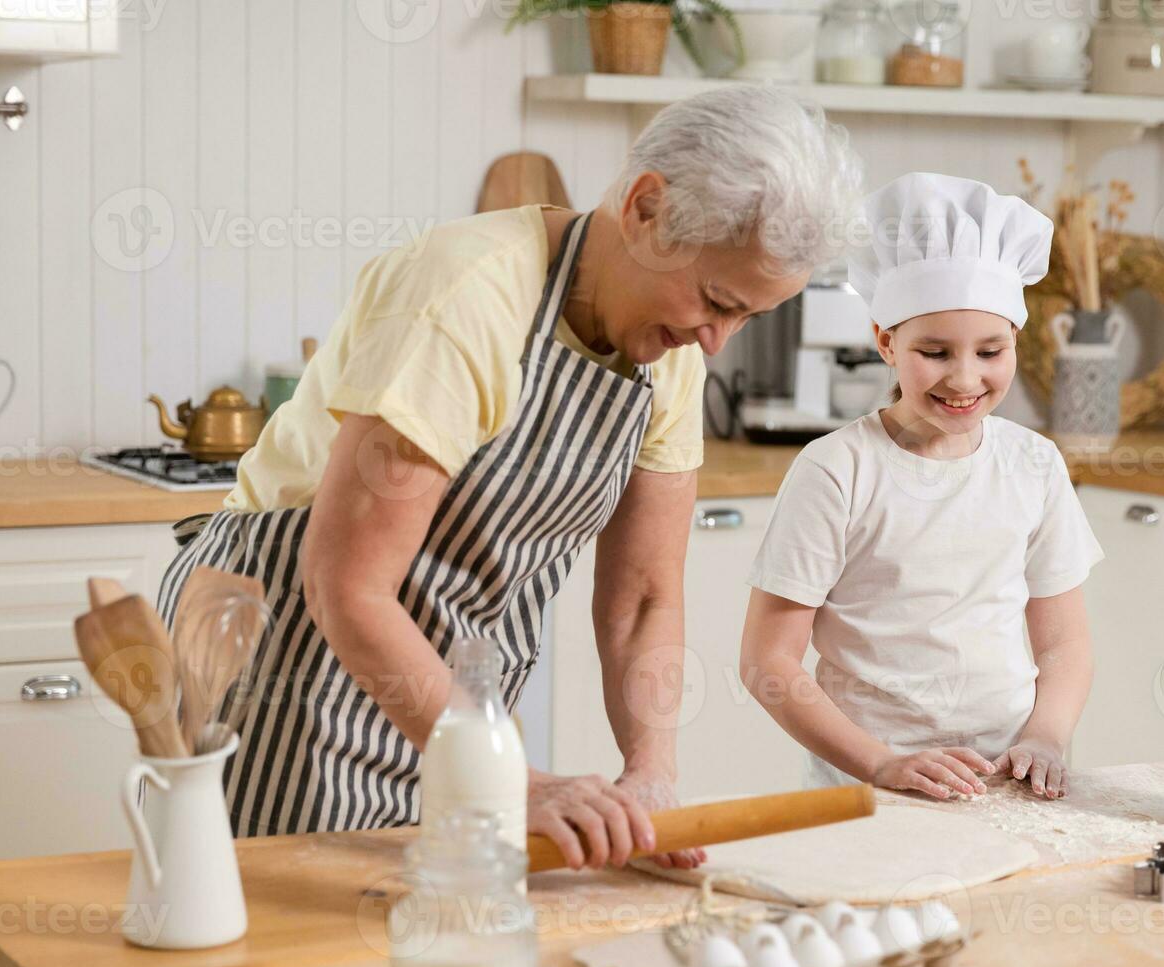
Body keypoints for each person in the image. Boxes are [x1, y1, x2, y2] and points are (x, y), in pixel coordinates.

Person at [155, 85, 863, 869]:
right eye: (715, 300)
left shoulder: (673, 352)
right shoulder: (465, 295)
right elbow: (345, 585)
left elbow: (643, 599)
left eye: (747, 317)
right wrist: (510, 778)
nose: (719, 341)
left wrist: (652, 778)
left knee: (437, 924)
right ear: (646, 208)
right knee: (290, 930)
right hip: (285, 653)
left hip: (445, 684)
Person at [739, 172, 1102, 802]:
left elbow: (1065, 642)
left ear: (1015, 341)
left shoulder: (1034, 465)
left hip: (1006, 782)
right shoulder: (837, 471)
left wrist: (1046, 737)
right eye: (935, 351)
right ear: (885, 341)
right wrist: (882, 764)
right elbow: (767, 663)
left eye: (990, 352)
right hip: (868, 788)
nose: (965, 378)